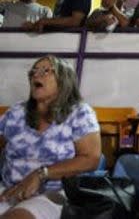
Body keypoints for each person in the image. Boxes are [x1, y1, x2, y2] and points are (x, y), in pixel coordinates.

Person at [0, 55, 101, 219]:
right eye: (34, 71)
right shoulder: (16, 112)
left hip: (53, 193)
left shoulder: (79, 113)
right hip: (9, 189)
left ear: (64, 79)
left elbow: (91, 159)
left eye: (45, 71)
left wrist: (41, 174)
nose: (36, 75)